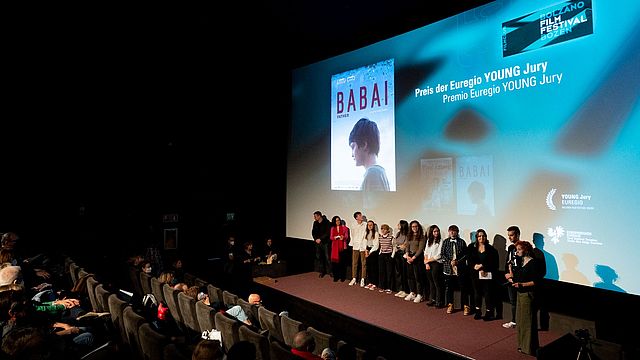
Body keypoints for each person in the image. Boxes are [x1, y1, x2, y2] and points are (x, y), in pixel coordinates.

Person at [509, 240, 541, 355]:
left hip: (528, 295)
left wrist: (522, 285)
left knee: (528, 321)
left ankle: (529, 348)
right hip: (520, 294)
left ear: (526, 250)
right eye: (516, 250)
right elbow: (516, 277)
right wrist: (510, 274)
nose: (517, 252)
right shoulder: (520, 261)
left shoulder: (533, 263)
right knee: (521, 321)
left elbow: (535, 281)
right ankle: (522, 345)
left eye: (519, 249)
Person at [349, 118, 389, 192]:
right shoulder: (378, 172)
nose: (352, 154)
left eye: (353, 147)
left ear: (364, 145)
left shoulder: (373, 173)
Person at [469, 228, 499, 320]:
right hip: (475, 274)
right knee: (477, 293)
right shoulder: (471, 247)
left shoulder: (491, 249)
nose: (481, 238)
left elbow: (495, 263)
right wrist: (474, 266)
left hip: (487, 274)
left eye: (483, 236)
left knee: (487, 294)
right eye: (479, 236)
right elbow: (469, 260)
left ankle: (489, 312)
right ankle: (478, 311)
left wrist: (483, 267)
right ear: (476, 238)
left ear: (486, 237)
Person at [441, 224, 471, 315]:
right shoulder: (446, 242)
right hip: (448, 269)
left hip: (460, 269)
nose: (452, 232)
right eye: (451, 231)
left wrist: (457, 262)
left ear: (457, 232)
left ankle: (466, 306)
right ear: (449, 232)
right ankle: (450, 305)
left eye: (454, 231)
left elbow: (466, 255)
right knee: (449, 288)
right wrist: (450, 261)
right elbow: (442, 254)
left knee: (463, 288)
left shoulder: (462, 242)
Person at [503, 225, 521, 329]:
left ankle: (521, 322)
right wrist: (507, 274)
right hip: (510, 279)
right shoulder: (510, 248)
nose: (510, 237)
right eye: (508, 235)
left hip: (519, 279)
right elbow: (507, 262)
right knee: (513, 301)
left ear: (517, 235)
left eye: (512, 235)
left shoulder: (523, 247)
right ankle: (514, 321)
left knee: (521, 302)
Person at [404, 220, 426, 303]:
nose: (414, 228)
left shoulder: (422, 237)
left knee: (418, 277)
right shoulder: (409, 235)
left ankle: (420, 294)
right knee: (410, 276)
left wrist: (413, 258)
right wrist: (407, 256)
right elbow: (407, 246)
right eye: (413, 226)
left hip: (418, 258)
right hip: (409, 258)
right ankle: (412, 292)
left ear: (418, 227)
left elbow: (420, 249)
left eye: (416, 226)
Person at [424, 224, 444, 307]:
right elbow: (426, 252)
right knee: (431, 282)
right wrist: (426, 263)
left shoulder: (441, 241)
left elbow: (439, 255)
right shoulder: (429, 240)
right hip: (429, 263)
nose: (436, 233)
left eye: (437, 231)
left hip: (436, 263)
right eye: (435, 231)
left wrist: (428, 260)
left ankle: (439, 301)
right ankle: (432, 299)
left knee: (437, 282)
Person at [348, 211, 367, 287]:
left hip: (363, 246)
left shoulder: (365, 224)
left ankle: (363, 279)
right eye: (359, 215)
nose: (361, 216)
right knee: (354, 263)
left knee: (363, 263)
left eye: (361, 215)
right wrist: (352, 244)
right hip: (355, 246)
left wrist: (365, 246)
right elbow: (352, 235)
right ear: (356, 217)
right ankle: (354, 278)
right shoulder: (353, 225)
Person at [312, 211, 332, 278]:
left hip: (325, 242)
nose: (314, 218)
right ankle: (322, 271)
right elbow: (313, 232)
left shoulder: (327, 222)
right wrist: (316, 239)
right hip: (318, 243)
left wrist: (320, 239)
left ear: (319, 216)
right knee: (319, 257)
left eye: (315, 216)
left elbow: (327, 232)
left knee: (327, 257)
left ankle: (331, 272)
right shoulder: (315, 223)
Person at [393, 220, 410, 298]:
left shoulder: (407, 234)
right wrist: (399, 246)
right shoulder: (398, 233)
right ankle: (400, 289)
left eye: (399, 224)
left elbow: (405, 245)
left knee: (404, 272)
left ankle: (406, 290)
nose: (397, 225)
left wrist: (400, 246)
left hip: (403, 255)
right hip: (397, 254)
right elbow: (396, 243)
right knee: (398, 272)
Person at [329, 216, 349, 282]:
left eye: (339, 220)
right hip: (335, 248)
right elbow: (331, 237)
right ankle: (336, 276)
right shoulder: (332, 228)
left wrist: (343, 237)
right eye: (336, 220)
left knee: (342, 263)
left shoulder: (344, 228)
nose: (338, 222)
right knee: (335, 263)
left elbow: (347, 236)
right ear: (334, 222)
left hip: (342, 247)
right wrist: (335, 237)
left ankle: (342, 277)